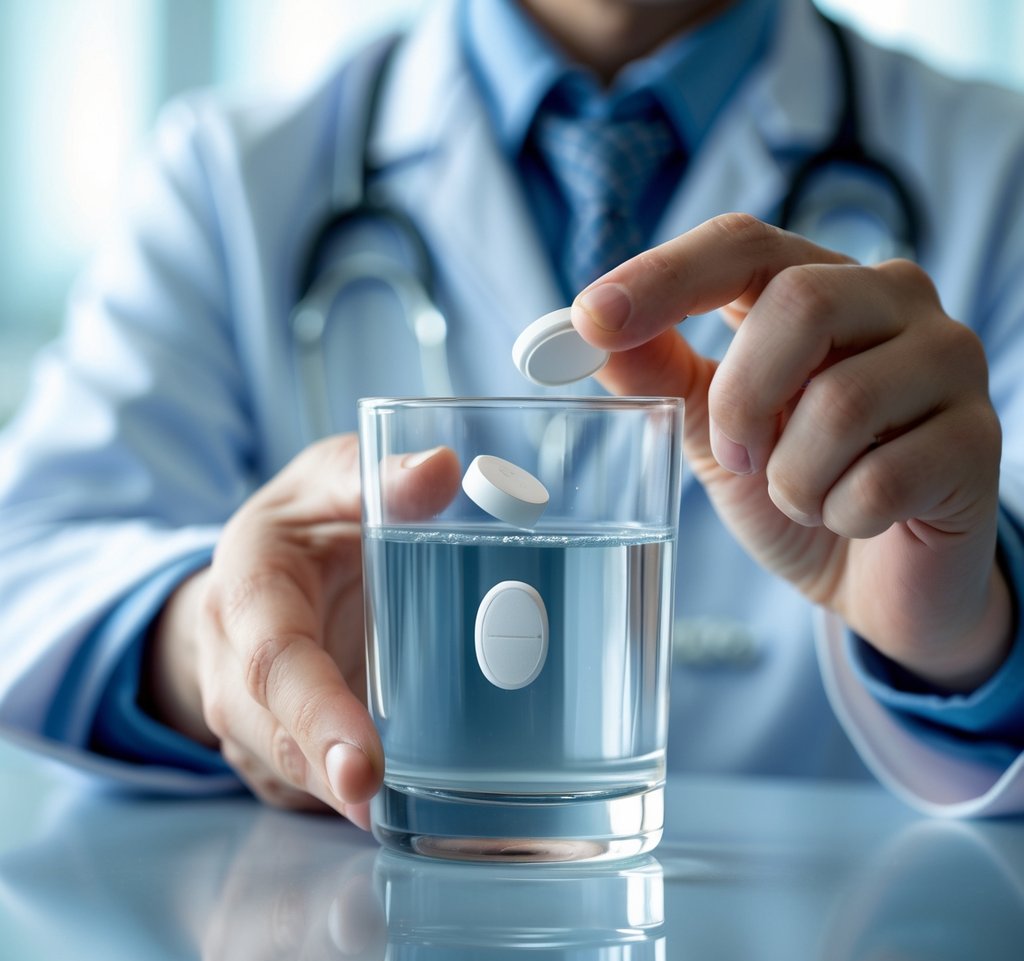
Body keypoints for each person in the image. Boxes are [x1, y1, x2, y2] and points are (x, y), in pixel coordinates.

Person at [1, 0, 1023, 827]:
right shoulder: (227, 175)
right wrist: (218, 646)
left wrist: (974, 624)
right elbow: (30, 569)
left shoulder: (998, 169)